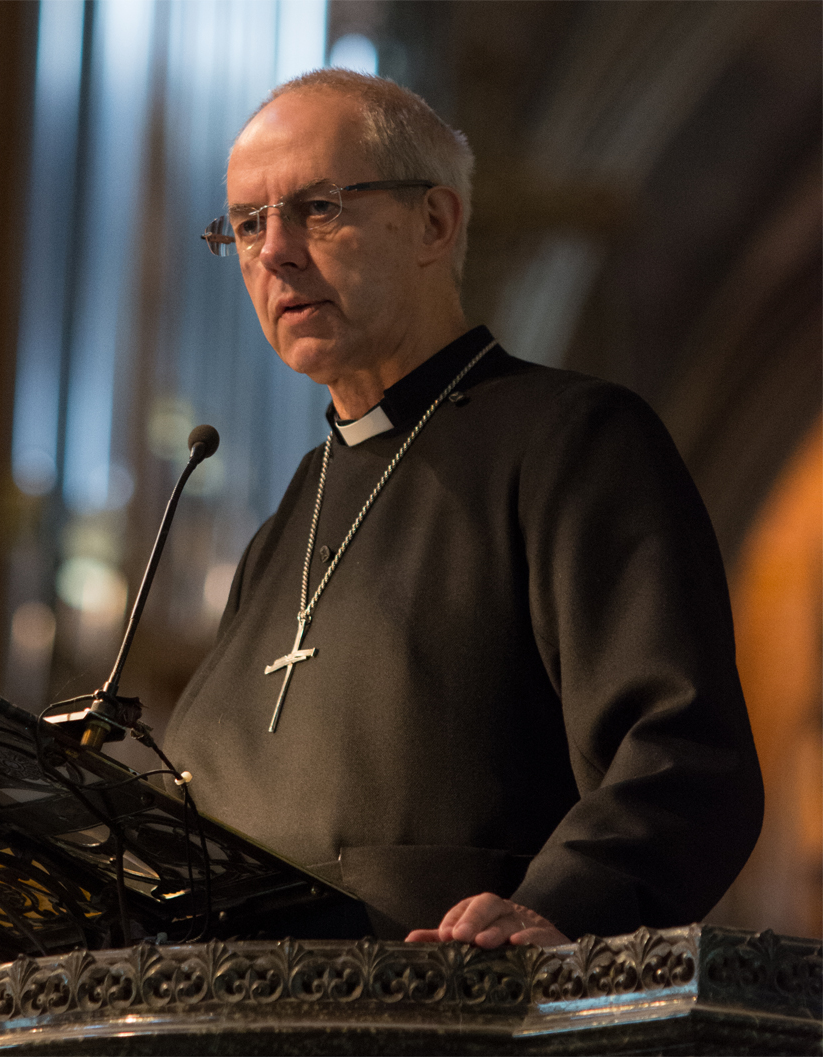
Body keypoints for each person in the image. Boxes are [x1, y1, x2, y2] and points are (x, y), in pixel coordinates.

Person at [164, 69, 763, 948]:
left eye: (318, 207)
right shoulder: (287, 519)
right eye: (248, 223)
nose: (276, 251)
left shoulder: (575, 441)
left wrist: (560, 906)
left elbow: (682, 753)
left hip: (459, 1012)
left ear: (435, 224)